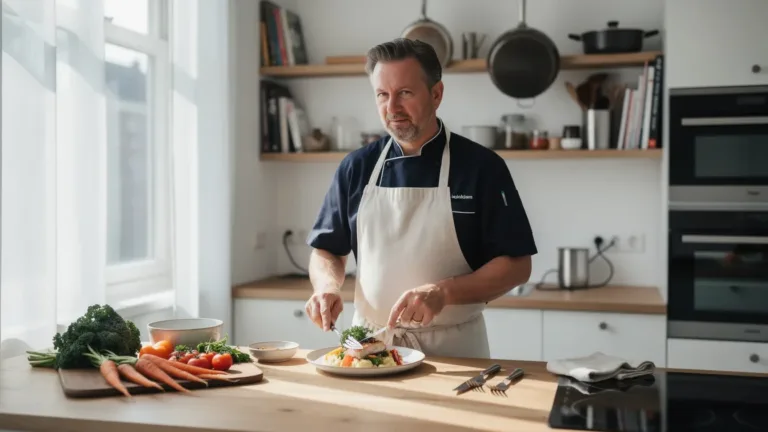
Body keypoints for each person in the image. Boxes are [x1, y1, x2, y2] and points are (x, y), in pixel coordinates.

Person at [303, 38, 537, 358]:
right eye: (382, 95)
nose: (392, 108)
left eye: (405, 93)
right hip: (370, 347)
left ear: (436, 94)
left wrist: (443, 292)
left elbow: (517, 266)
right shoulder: (356, 167)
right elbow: (327, 249)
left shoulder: (482, 167)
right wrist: (326, 287)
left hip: (454, 349)